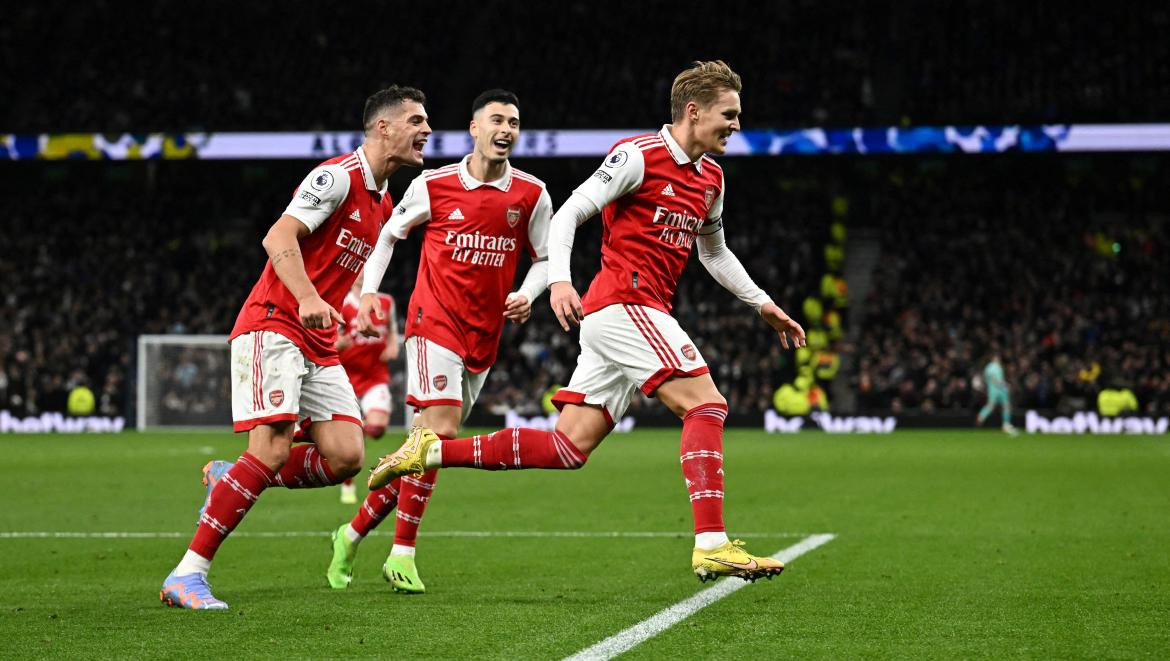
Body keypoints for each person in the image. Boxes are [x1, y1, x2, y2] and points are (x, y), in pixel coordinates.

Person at [369, 61, 806, 583]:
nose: (736, 124)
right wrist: (559, 281)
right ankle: (711, 543)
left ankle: (430, 449)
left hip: (635, 315)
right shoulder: (636, 156)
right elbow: (571, 212)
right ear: (694, 111)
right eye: (728, 114)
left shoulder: (711, 177)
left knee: (566, 448)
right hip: (625, 304)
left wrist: (762, 303)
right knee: (707, 404)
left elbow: (715, 253)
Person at [159, 86, 432, 610]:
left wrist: (363, 302)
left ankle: (231, 477)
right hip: (274, 323)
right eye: (416, 120)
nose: (425, 130)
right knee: (272, 448)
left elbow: (338, 263)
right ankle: (187, 574)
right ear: (383, 128)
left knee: (346, 456)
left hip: (319, 341)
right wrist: (306, 296)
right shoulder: (336, 177)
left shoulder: (383, 201)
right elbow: (278, 236)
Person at [327, 89, 552, 594]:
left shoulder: (532, 194)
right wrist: (368, 294)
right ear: (474, 128)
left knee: (423, 448)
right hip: (433, 324)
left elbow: (545, 260)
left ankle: (352, 532)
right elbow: (388, 235)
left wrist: (528, 292)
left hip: (483, 336)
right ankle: (402, 553)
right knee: (439, 432)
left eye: (514, 122)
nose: (506, 129)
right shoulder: (435, 184)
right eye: (497, 119)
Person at [335, 277, 399, 504]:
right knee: (348, 446)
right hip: (344, 379)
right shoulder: (340, 305)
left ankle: (355, 426)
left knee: (377, 428)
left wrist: (393, 345)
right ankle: (348, 485)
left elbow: (391, 331)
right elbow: (324, 342)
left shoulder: (386, 302)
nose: (364, 271)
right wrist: (336, 345)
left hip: (375, 376)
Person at [976, 352, 1018, 435]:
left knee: (1000, 406)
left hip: (993, 389)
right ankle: (1005, 424)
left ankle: (981, 417)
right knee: (1002, 406)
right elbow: (995, 380)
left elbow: (985, 379)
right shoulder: (994, 367)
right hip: (998, 389)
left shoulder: (988, 368)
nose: (999, 359)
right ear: (994, 358)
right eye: (997, 357)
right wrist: (1005, 385)